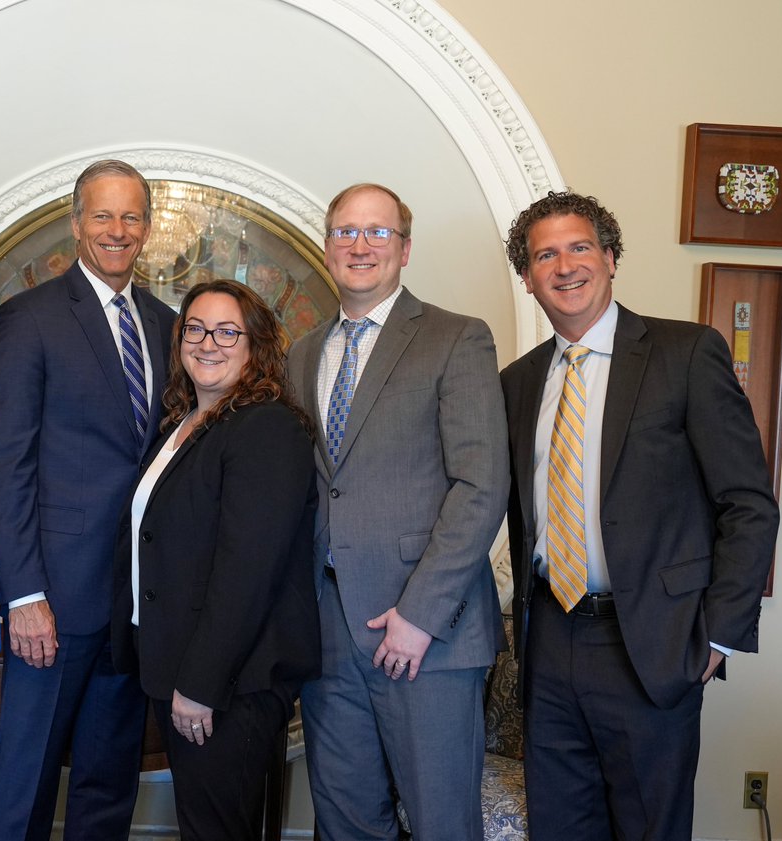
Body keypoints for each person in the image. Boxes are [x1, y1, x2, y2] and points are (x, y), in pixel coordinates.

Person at [500, 191, 778, 840]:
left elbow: (748, 502)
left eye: (579, 247)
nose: (565, 265)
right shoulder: (515, 382)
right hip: (550, 643)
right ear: (528, 276)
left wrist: (716, 637)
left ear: (611, 257)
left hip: (652, 643)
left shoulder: (686, 353)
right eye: (545, 255)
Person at [287, 182, 510, 840]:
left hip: (427, 637)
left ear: (405, 248)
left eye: (377, 232)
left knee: (442, 824)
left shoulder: (455, 338)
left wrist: (419, 615)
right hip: (328, 632)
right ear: (327, 246)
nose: (359, 245)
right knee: (346, 822)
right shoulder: (305, 353)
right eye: (345, 231)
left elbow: (481, 485)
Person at [0, 159, 178, 841]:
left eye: (130, 217)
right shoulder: (26, 318)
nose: (117, 230)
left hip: (131, 605)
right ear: (75, 222)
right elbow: (7, 466)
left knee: (107, 784)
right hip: (53, 605)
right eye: (103, 215)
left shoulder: (165, 323)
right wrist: (24, 593)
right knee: (25, 786)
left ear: (148, 228)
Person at [112, 279, 320, 840]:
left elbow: (246, 572)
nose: (210, 343)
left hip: (230, 683)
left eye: (228, 331)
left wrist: (201, 683)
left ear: (255, 344)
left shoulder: (267, 427)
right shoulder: (183, 425)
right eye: (196, 329)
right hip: (178, 666)